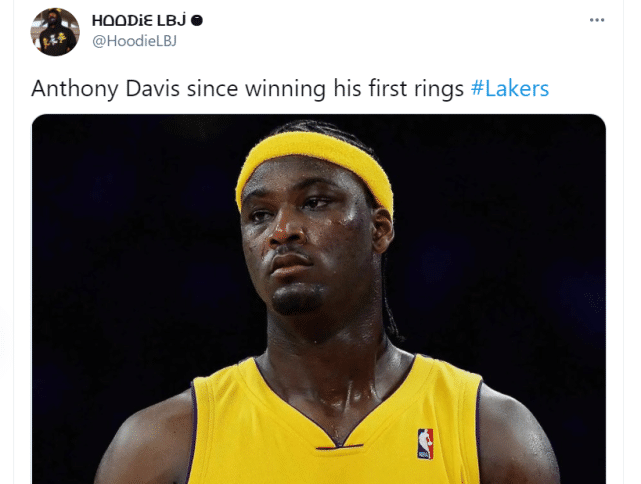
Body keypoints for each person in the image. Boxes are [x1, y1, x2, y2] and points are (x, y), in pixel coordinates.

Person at [94, 120, 560, 484]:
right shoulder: (161, 444)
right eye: (260, 214)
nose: (282, 231)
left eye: (315, 203)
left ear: (380, 229)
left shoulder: (492, 432)